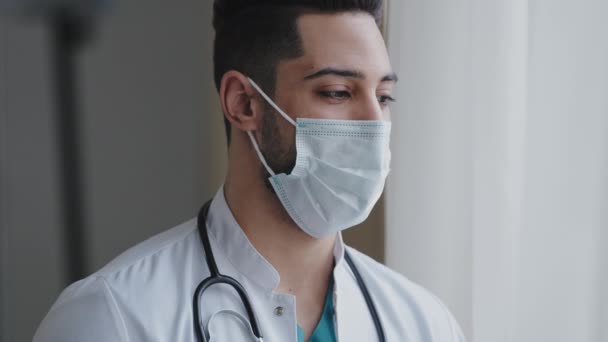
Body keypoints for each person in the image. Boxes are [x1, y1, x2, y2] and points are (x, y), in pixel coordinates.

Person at [34, 1, 466, 341]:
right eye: (337, 92)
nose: (374, 123)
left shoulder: (423, 324)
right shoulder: (115, 318)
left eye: (384, 97)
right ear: (243, 103)